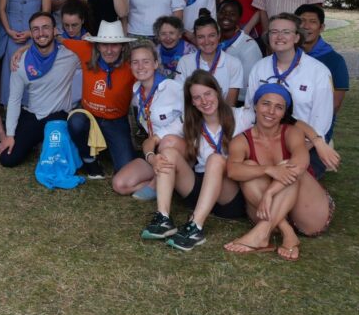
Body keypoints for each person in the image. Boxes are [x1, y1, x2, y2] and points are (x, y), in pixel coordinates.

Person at [223, 83, 336, 260]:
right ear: (255, 105)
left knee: (289, 166)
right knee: (249, 167)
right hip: (269, 214)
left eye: (279, 107)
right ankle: (286, 232)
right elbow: (232, 171)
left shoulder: (292, 132)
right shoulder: (241, 140)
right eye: (266, 104)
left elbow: (300, 164)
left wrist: (270, 192)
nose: (270, 111)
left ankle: (262, 234)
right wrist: (268, 169)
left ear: (285, 113)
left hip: (308, 214)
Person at [139, 69, 246, 251]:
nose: (204, 101)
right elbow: (151, 141)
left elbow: (281, 121)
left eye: (207, 94)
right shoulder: (189, 120)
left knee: (216, 159)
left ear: (218, 92)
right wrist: (152, 157)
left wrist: (312, 140)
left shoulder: (242, 116)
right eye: (197, 98)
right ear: (192, 102)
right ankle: (163, 217)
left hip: (228, 195)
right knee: (169, 153)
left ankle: (196, 227)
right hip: (199, 188)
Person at [246, 13, 339, 178]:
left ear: (297, 37)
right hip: (265, 141)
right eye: (274, 32)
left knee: (289, 181)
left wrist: (296, 151)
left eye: (286, 32)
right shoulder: (259, 68)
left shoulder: (318, 72)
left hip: (306, 144)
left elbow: (321, 121)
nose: (279, 36)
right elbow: (250, 111)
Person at [59, 20, 138, 188]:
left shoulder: (132, 65)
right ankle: (90, 160)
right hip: (88, 116)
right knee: (75, 122)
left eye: (115, 45)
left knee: (126, 169)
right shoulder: (86, 50)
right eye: (104, 45)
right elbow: (54, 39)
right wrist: (23, 47)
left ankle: (108, 148)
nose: (109, 50)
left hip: (116, 120)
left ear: (123, 46)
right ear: (97, 46)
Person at [1, 12, 80, 167]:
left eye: (46, 28)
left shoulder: (70, 55)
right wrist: (10, 135)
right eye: (35, 29)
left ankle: (46, 143)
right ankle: (38, 142)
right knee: (7, 159)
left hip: (59, 115)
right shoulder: (20, 62)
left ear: (55, 30)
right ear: (31, 33)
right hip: (34, 115)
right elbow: (14, 100)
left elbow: (95, 54)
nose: (41, 33)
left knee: (56, 159)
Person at [122, 41, 186, 202]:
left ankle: (156, 185)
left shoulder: (173, 88)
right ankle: (167, 182)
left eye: (146, 61)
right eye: (135, 62)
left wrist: (159, 138)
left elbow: (192, 119)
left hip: (181, 152)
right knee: (120, 184)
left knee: (168, 141)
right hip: (155, 151)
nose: (140, 66)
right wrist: (151, 156)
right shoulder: (136, 91)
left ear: (156, 64)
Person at [296, 4, 349, 140]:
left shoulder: (335, 61)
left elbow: (334, 105)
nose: (306, 26)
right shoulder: (286, 56)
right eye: (302, 21)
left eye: (313, 22)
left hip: (316, 134)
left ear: (322, 27)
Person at [175, 15, 244, 105]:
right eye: (201, 37)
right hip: (193, 115)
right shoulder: (184, 62)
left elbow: (230, 104)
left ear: (218, 35)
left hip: (221, 116)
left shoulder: (234, 63)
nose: (206, 41)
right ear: (195, 38)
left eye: (211, 35)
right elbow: (180, 97)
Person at [217, 0, 263, 103]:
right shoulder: (212, 39)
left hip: (239, 100)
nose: (226, 17)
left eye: (232, 14)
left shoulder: (249, 46)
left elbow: (247, 83)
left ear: (239, 18)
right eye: (222, 12)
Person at [154, 15, 193, 79]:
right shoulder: (155, 52)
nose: (168, 37)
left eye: (171, 33)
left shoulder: (190, 50)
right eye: (163, 34)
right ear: (158, 36)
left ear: (180, 34)